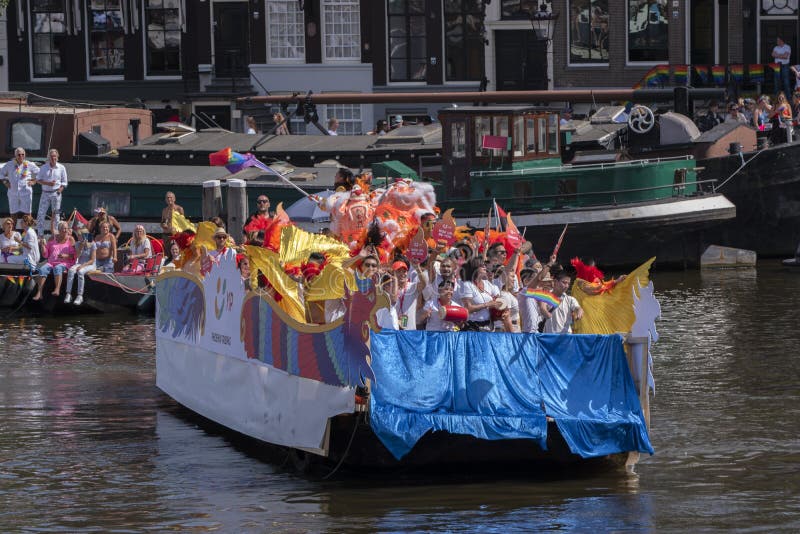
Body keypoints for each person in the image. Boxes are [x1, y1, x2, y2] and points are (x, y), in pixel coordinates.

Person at [33, 221, 75, 301]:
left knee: (58, 267)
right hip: (51, 262)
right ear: (59, 229)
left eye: (66, 228)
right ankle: (39, 293)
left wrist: (65, 256)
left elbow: (73, 256)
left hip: (65, 262)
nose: (66, 230)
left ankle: (57, 289)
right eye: (63, 228)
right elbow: (46, 254)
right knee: (42, 269)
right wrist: (42, 246)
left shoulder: (70, 239)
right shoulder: (52, 238)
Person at [1, 147, 40, 226]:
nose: (21, 156)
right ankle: (12, 233)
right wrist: (5, 181)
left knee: (27, 214)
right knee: (13, 213)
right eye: (19, 155)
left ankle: (28, 233)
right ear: (15, 155)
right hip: (13, 193)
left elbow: (41, 173)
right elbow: (0, 173)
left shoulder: (29, 164)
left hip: (26, 193)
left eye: (23, 154)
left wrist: (34, 181)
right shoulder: (9, 164)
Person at [460, 257, 501, 331]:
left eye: (485, 265)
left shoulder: (487, 283)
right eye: (481, 265)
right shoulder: (466, 285)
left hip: (489, 327)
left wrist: (498, 303)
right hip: (473, 327)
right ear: (474, 268)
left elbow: (497, 300)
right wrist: (487, 304)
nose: (485, 266)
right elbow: (467, 309)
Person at [35, 148, 68, 237]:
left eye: (55, 156)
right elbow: (38, 180)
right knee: (41, 214)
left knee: (56, 215)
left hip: (56, 193)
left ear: (57, 157)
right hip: (45, 193)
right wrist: (48, 183)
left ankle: (56, 234)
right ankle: (40, 235)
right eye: (51, 156)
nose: (53, 158)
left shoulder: (61, 168)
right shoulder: (43, 167)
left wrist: (59, 190)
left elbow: (64, 182)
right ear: (49, 157)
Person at [541, 269, 584, 334]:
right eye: (564, 282)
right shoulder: (545, 297)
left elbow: (578, 308)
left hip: (566, 338)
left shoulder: (570, 299)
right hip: (549, 337)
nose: (566, 286)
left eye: (568, 283)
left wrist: (579, 312)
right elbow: (542, 309)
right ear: (555, 281)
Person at [63, 230, 96, 306]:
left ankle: (80, 295)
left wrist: (83, 266)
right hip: (80, 263)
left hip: (90, 264)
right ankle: (68, 294)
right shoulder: (77, 244)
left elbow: (92, 260)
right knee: (71, 270)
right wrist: (81, 247)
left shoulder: (92, 244)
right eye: (78, 235)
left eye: (80, 235)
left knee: (80, 272)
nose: (78, 237)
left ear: (85, 236)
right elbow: (77, 257)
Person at [391, 258, 425, 330]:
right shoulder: (389, 288)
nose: (402, 274)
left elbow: (424, 284)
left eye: (404, 271)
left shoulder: (412, 286)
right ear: (393, 273)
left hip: (410, 329)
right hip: (393, 328)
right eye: (398, 271)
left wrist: (418, 269)